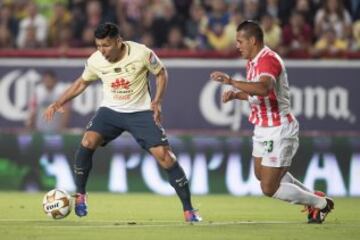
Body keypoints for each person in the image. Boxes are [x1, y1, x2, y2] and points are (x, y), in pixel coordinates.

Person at [43, 22, 201, 222]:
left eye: (106, 45)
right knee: (87, 142)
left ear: (119, 41)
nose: (102, 50)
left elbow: (161, 73)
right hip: (110, 111)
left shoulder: (141, 53)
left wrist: (157, 101)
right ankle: (81, 195)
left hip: (140, 112)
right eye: (98, 45)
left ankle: (189, 210)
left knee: (166, 156)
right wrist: (58, 103)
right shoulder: (95, 60)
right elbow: (82, 82)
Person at [210, 20, 334, 224]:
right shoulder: (252, 62)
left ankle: (320, 204)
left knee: (269, 187)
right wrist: (236, 95)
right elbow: (258, 96)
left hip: (279, 129)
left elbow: (264, 88)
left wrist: (231, 81)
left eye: (240, 41)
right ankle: (314, 197)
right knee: (261, 175)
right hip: (262, 129)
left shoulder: (268, 60)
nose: (237, 45)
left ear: (253, 40)